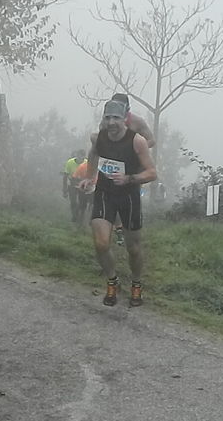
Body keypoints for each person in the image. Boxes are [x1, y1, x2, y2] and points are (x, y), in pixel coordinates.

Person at [80, 99, 157, 307]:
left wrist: (130, 179)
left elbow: (152, 173)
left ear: (125, 119)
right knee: (101, 243)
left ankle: (137, 283)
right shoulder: (98, 138)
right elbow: (93, 155)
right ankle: (112, 280)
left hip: (129, 196)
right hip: (105, 193)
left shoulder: (137, 141)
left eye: (116, 117)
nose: (111, 122)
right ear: (103, 119)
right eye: (107, 118)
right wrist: (89, 177)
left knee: (133, 248)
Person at [62, 150, 87, 222]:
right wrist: (64, 189)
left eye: (82, 157)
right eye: (79, 156)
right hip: (72, 183)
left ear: (84, 157)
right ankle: (74, 216)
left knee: (82, 202)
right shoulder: (70, 162)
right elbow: (65, 176)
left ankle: (81, 216)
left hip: (83, 184)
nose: (80, 158)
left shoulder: (87, 163)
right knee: (73, 201)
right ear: (77, 155)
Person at [71, 159, 95, 225]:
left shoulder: (99, 167)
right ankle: (78, 220)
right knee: (82, 205)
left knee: (94, 204)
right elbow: (74, 177)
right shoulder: (82, 166)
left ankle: (91, 221)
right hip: (82, 187)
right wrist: (79, 184)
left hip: (93, 188)